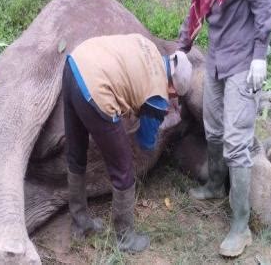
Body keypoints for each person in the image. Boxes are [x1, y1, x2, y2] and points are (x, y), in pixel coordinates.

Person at [176, 0, 271, 258]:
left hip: (243, 60)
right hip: (217, 55)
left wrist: (260, 55)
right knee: (213, 126)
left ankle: (241, 224)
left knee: (236, 138)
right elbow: (197, 5)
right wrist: (181, 48)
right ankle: (216, 185)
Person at [63, 33, 192, 253]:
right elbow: (145, 143)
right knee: (123, 169)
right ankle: (125, 238)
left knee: (76, 151)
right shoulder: (158, 97)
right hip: (96, 89)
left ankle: (80, 223)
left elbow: (128, 74)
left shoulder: (150, 48)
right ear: (172, 89)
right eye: (173, 96)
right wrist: (153, 122)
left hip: (74, 65)